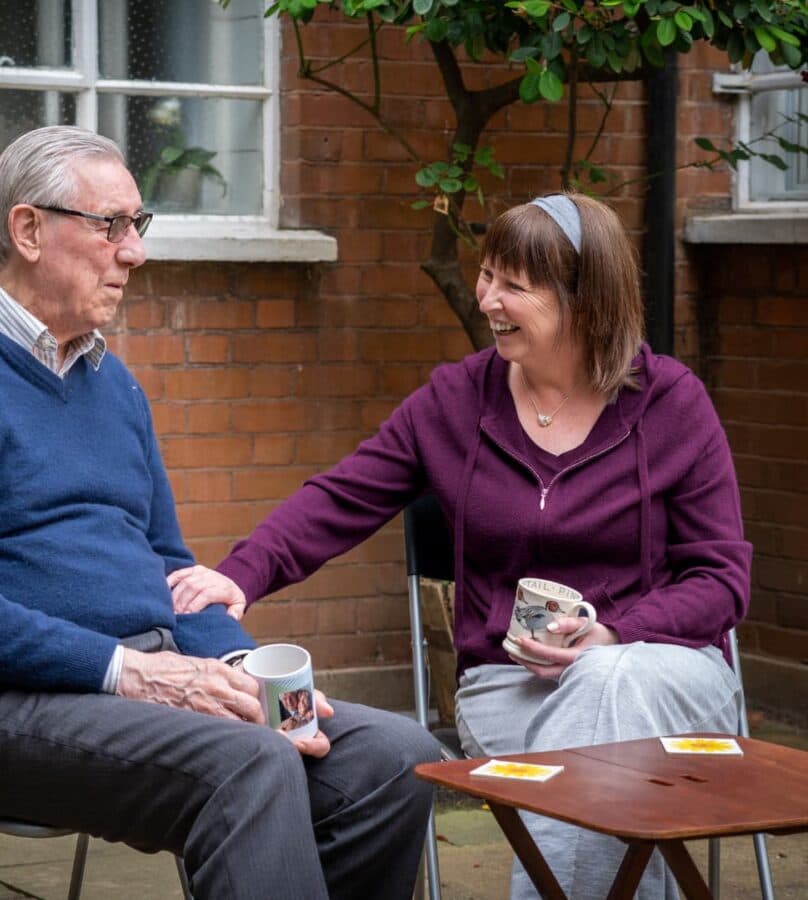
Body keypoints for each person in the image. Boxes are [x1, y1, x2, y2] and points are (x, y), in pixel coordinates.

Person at [0, 125, 441, 900]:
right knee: (249, 765)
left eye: (138, 225)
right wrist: (137, 675)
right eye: (111, 226)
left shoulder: (113, 383)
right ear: (28, 229)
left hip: (132, 684)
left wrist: (241, 672)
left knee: (389, 754)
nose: (135, 252)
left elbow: (170, 570)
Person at [170, 192, 751, 900]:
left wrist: (614, 635)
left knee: (605, 689)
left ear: (585, 299)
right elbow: (344, 495)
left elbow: (721, 581)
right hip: (510, 687)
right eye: (486, 275)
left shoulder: (671, 405)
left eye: (514, 285)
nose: (487, 300)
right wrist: (243, 573)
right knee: (618, 774)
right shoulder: (455, 403)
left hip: (670, 672)